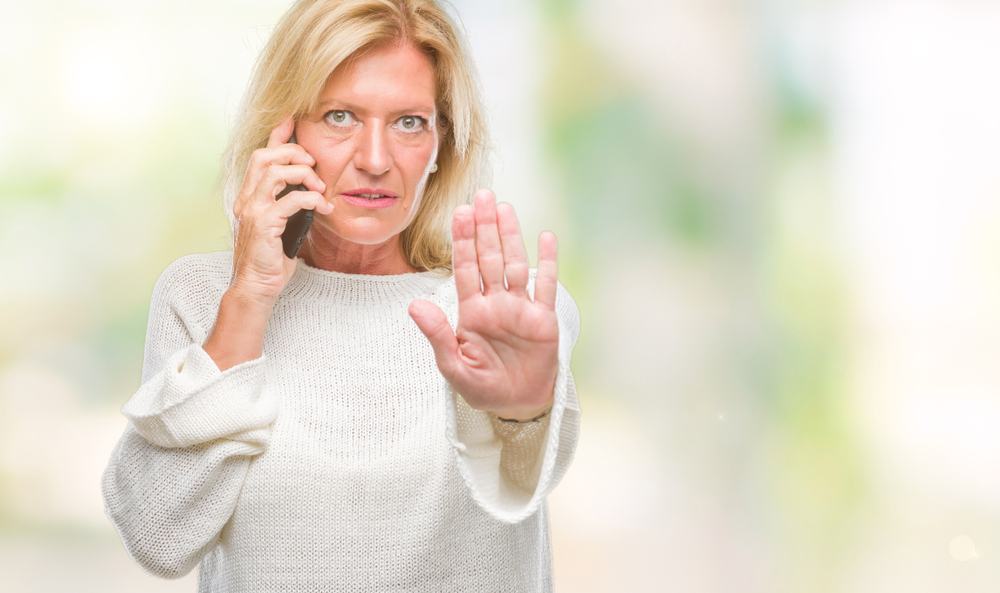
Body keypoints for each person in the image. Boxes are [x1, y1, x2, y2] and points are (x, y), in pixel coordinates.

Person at [101, 0, 580, 591]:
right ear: (285, 131)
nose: (376, 161)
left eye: (409, 122)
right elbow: (158, 538)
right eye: (340, 116)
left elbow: (518, 484)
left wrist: (523, 414)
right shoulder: (200, 297)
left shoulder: (507, 312)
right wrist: (250, 297)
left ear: (441, 146)